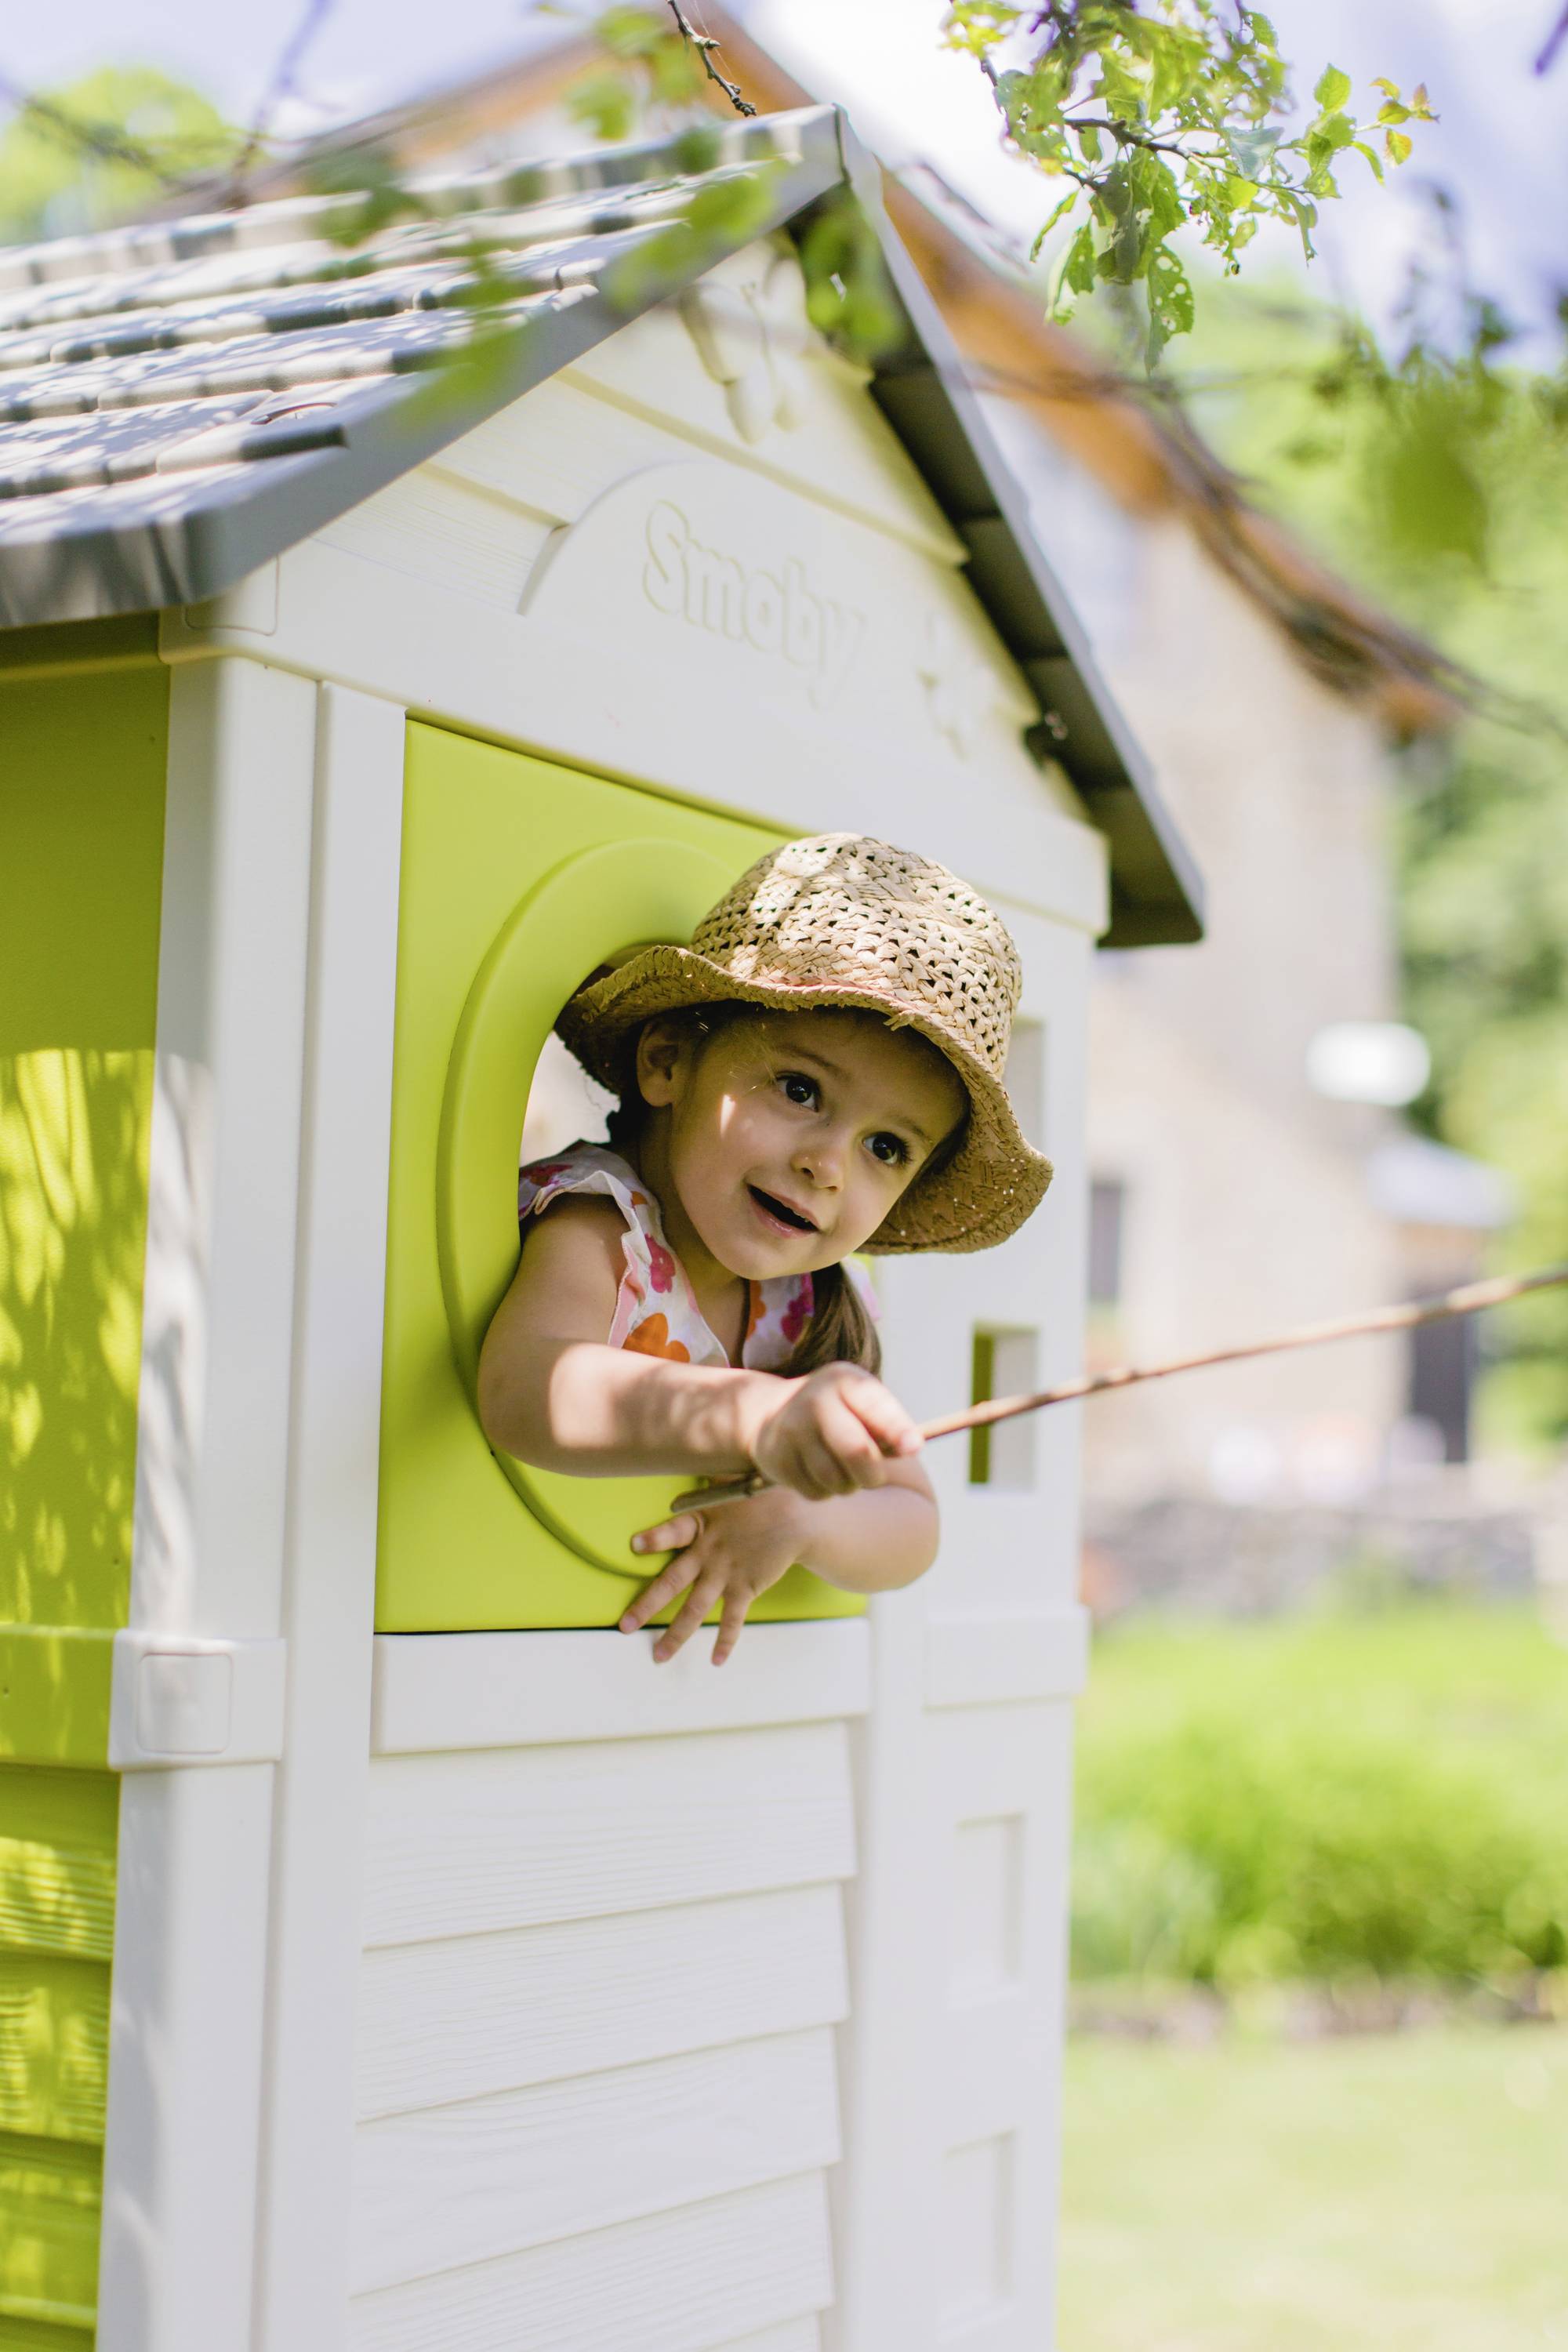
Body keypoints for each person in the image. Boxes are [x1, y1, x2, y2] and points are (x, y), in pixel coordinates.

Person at [478, 833, 1051, 1664]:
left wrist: (801, 1518)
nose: (826, 1164)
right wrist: (758, 1418)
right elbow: (524, 1388)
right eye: (799, 1090)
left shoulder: (810, 1307)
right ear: (668, 1061)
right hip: (511, 1655)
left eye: (885, 1148)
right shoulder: (600, 1226)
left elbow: (913, 1525)